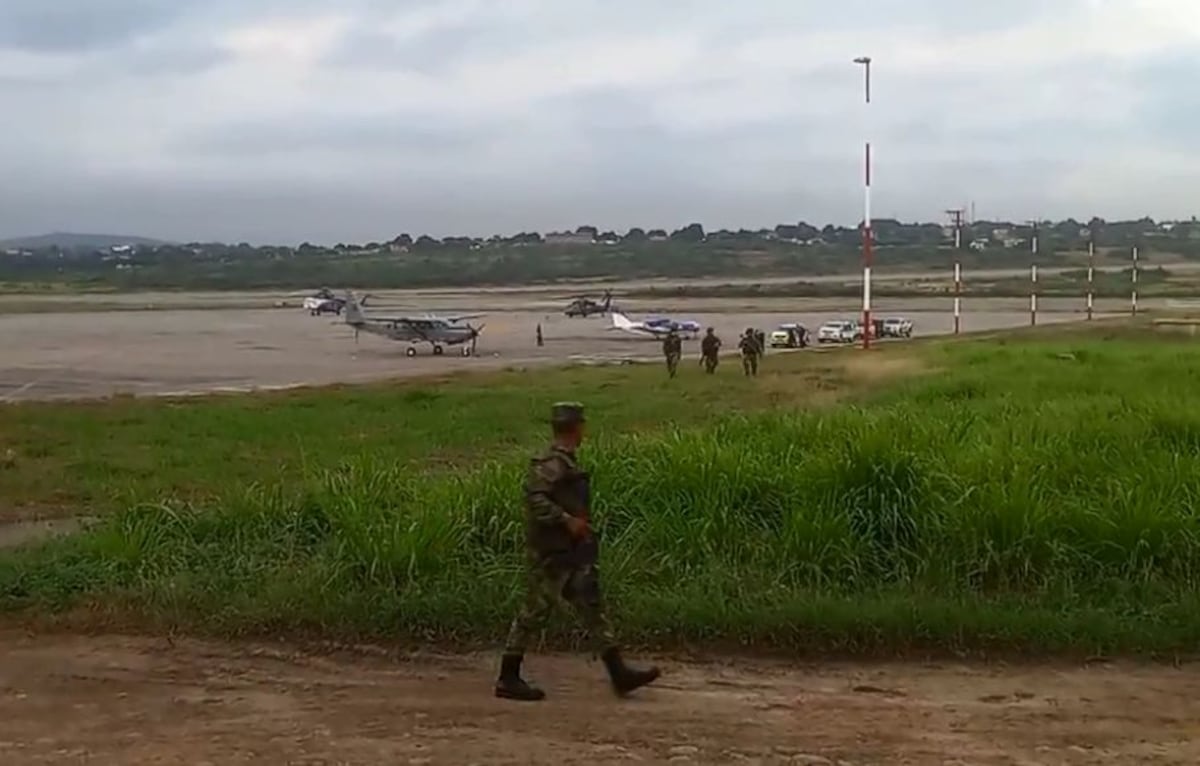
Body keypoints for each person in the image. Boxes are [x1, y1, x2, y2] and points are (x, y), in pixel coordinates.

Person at [495, 402, 661, 702]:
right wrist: (566, 520)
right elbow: (535, 499)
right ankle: (507, 676)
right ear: (577, 428)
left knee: (592, 608)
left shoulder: (565, 462)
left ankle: (618, 672)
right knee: (534, 612)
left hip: (569, 552)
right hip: (552, 554)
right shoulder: (553, 463)